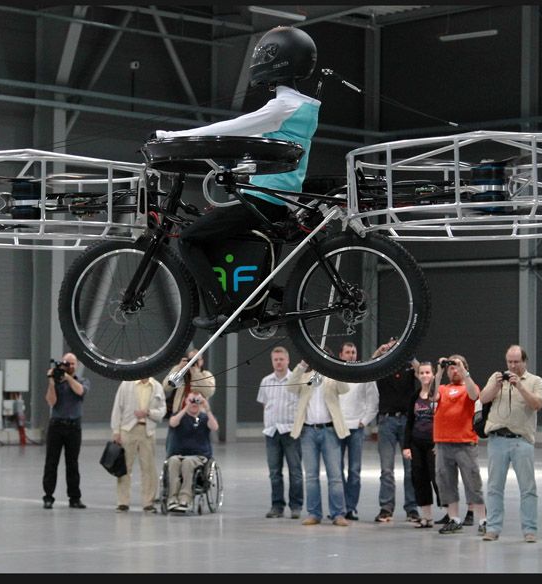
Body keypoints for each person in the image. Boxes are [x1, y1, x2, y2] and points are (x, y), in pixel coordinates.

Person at [153, 26, 320, 329]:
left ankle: (224, 309)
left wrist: (171, 136)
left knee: (189, 239)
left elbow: (230, 128)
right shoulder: (302, 109)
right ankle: (281, 296)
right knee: (221, 236)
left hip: (263, 201)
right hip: (276, 202)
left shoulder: (283, 106)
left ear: (275, 60)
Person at [479, 344, 542, 543]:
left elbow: (537, 405)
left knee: (528, 488)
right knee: (494, 487)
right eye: (510, 362)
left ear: (524, 361)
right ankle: (492, 528)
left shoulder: (535, 381)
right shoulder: (496, 377)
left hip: (521, 440)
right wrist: (496, 386)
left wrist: (520, 386)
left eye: (517, 362)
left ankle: (530, 530)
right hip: (497, 439)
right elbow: (483, 398)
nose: (513, 366)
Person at [287, 359, 351, 526]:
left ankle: (338, 514)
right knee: (311, 476)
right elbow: (290, 387)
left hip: (329, 430)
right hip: (308, 431)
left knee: (335, 476)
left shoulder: (332, 378)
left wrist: (335, 370)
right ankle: (314, 513)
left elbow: (345, 389)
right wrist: (301, 366)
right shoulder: (306, 377)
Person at [433, 355, 486, 535]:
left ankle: (483, 520)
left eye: (456, 367)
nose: (453, 370)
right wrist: (438, 372)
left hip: (464, 442)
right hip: (443, 441)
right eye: (451, 368)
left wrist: (464, 370)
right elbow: (432, 397)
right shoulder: (442, 388)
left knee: (472, 482)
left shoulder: (469, 387)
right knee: (446, 482)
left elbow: (474, 395)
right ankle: (453, 518)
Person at [372, 337, 421, 523]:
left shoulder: (408, 365)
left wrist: (408, 354)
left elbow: (422, 373)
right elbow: (368, 366)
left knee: (410, 469)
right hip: (387, 421)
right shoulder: (382, 366)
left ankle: (412, 508)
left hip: (407, 420)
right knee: (386, 469)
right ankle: (386, 508)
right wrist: (380, 352)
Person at [257, 346, 303, 519]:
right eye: (275, 359)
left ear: (288, 360)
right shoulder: (266, 381)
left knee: (295, 472)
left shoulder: (295, 380)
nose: (278, 362)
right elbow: (264, 404)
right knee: (274, 472)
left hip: (291, 432)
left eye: (281, 359)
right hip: (271, 432)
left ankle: (296, 506)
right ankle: (277, 506)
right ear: (272, 361)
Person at [109, 376, 167, 513]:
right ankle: (123, 502)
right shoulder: (126, 384)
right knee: (124, 467)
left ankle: (148, 503)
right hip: (127, 430)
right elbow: (118, 407)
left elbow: (162, 411)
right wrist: (116, 431)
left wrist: (148, 412)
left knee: (148, 469)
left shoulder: (157, 387)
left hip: (147, 431)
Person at [41, 353, 90, 510]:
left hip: (74, 427)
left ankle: (74, 497)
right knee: (51, 462)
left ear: (76, 365)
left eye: (72, 363)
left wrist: (68, 378)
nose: (70, 366)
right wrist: (51, 381)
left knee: (72, 463)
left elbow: (80, 391)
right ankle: (48, 496)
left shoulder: (82, 381)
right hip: (56, 426)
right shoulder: (56, 382)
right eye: (67, 363)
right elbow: (51, 401)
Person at [336, 342, 379, 522]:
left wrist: (364, 421)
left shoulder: (363, 374)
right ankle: (338, 508)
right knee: (336, 471)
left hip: (356, 428)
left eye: (353, 352)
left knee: (354, 470)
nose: (351, 355)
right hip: (337, 427)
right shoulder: (334, 372)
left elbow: (373, 400)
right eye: (347, 352)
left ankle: (351, 508)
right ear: (341, 355)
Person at [166, 391, 219, 512]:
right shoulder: (180, 416)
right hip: (179, 454)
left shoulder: (204, 418)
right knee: (173, 461)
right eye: (191, 401)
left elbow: (215, 427)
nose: (194, 404)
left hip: (199, 456)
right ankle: (172, 498)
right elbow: (173, 423)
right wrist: (185, 408)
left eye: (197, 401)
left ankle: (185, 498)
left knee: (188, 462)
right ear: (186, 401)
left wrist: (207, 408)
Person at [403, 361, 440, 528]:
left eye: (428, 372)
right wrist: (406, 446)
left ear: (433, 375)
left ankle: (449, 513)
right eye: (422, 373)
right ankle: (426, 516)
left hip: (434, 443)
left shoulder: (438, 395)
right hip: (417, 443)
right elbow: (409, 422)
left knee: (436, 477)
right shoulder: (414, 396)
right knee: (419, 478)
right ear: (418, 375)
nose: (425, 375)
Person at [164, 349, 216, 457]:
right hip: (180, 415)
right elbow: (166, 387)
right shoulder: (180, 373)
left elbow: (209, 391)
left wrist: (195, 373)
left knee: (197, 446)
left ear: (201, 361)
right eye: (190, 360)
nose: (192, 363)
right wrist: (179, 368)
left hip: (198, 417)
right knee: (173, 449)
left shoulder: (206, 374)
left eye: (196, 360)